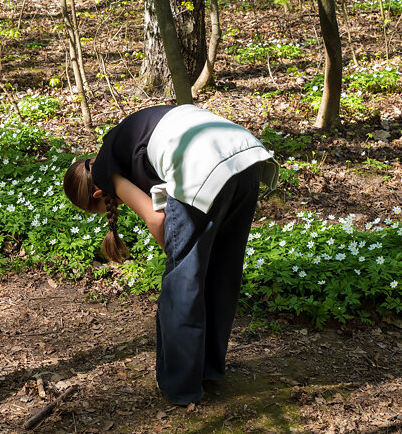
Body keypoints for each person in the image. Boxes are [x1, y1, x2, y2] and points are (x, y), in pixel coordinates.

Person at [63, 104, 277, 406]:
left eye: (97, 210)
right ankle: (208, 370)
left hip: (203, 165)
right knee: (221, 270)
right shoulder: (122, 143)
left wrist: (181, 259)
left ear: (96, 194)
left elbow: (156, 219)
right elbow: (165, 201)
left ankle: (181, 387)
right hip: (244, 156)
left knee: (182, 287)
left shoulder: (104, 171)